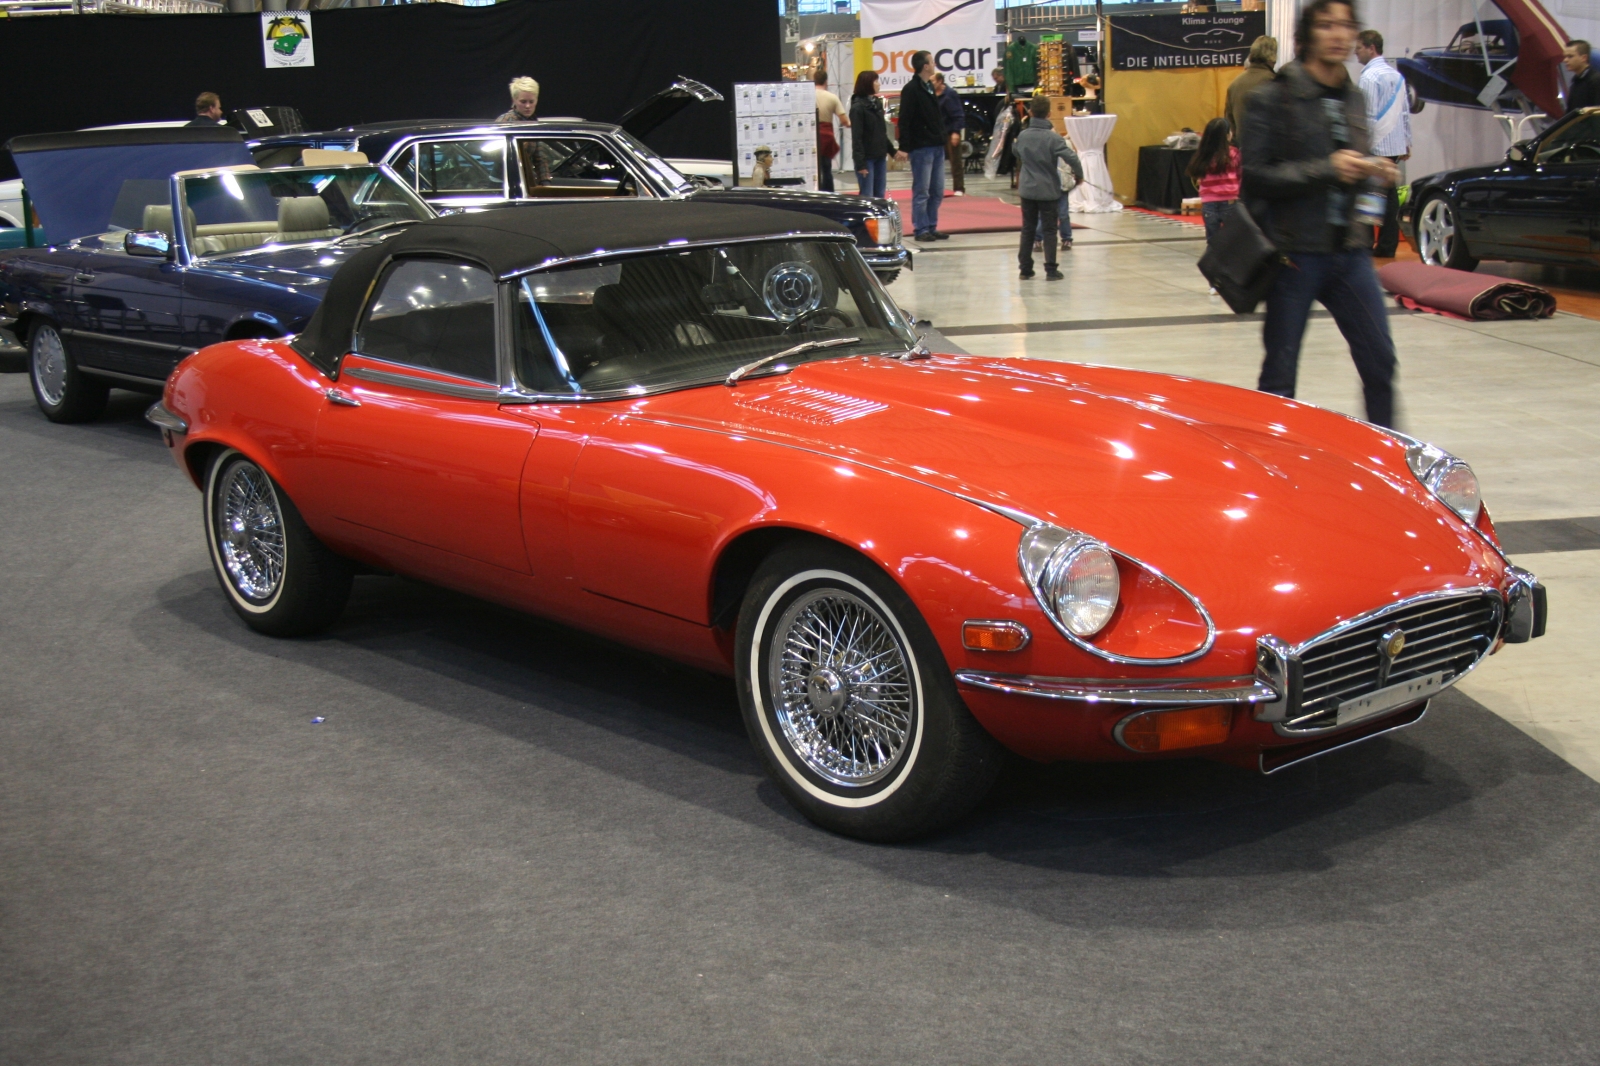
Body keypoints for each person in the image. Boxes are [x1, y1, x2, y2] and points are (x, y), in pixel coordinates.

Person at [1241, 0, 1400, 428]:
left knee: (1380, 362)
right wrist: (1327, 169)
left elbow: (1356, 160)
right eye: (1327, 25)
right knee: (1280, 374)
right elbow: (1254, 177)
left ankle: (1390, 466)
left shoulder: (1354, 96)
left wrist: (1374, 169)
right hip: (1294, 254)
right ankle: (1271, 465)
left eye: (1346, 26)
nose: (1338, 35)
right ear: (1308, 33)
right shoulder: (1271, 98)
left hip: (1349, 252)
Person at [1013, 96, 1083, 281]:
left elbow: (1015, 151)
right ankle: (1051, 269)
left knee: (1028, 228)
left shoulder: (1023, 135)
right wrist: (1079, 174)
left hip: (1027, 189)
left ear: (1030, 112)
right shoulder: (1053, 138)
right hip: (1048, 190)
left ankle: (1025, 269)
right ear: (1049, 114)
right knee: (1050, 229)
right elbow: (1072, 158)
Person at [1355, 30, 1411, 257]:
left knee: (1369, 193)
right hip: (1395, 145)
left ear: (1371, 48)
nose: (1355, 53)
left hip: (1376, 144)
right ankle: (1388, 245)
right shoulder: (1397, 76)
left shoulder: (1368, 77)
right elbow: (1405, 111)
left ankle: (1367, 244)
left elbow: (1367, 115)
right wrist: (1406, 141)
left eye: (1358, 48)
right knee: (1390, 197)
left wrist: (1361, 144)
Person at [899, 50, 948, 242]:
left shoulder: (929, 86)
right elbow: (904, 120)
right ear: (925, 66)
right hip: (922, 147)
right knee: (922, 190)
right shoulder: (911, 89)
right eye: (932, 61)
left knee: (937, 190)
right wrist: (905, 146)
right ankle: (920, 228)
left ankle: (931, 225)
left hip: (936, 145)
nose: (934, 64)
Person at [1187, 116, 1240, 295]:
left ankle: (1214, 283)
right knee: (1233, 242)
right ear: (1226, 135)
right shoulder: (1233, 154)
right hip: (1231, 202)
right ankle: (1233, 280)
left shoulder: (1202, 155)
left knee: (1213, 242)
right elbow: (1241, 176)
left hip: (1209, 204)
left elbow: (1198, 177)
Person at [849, 70, 902, 199]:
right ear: (867, 84)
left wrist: (892, 151)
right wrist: (860, 163)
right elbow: (857, 137)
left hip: (879, 156)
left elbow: (881, 132)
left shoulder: (877, 104)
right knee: (867, 195)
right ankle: (866, 219)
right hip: (867, 158)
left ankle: (879, 219)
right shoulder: (858, 108)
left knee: (879, 194)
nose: (879, 84)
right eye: (876, 81)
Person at [1226, 36, 1278, 140]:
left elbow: (1230, 123)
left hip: (1242, 149)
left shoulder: (1234, 84)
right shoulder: (1275, 82)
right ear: (1272, 56)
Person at [814, 68, 850, 192]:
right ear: (826, 81)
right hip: (826, 136)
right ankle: (829, 194)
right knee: (826, 168)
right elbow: (844, 121)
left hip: (811, 136)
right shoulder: (832, 97)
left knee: (813, 169)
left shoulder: (807, 96)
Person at [934, 72, 966, 196]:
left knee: (955, 160)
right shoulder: (932, 94)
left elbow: (958, 114)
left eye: (933, 81)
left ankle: (959, 188)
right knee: (937, 162)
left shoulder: (950, 95)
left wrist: (956, 132)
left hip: (950, 131)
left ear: (940, 81)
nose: (930, 84)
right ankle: (937, 187)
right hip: (937, 132)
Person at [1563, 40, 1598, 113]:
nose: (1565, 60)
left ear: (1583, 58)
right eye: (1565, 56)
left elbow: (1596, 112)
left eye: (1570, 56)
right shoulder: (1575, 81)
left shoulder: (1596, 80)